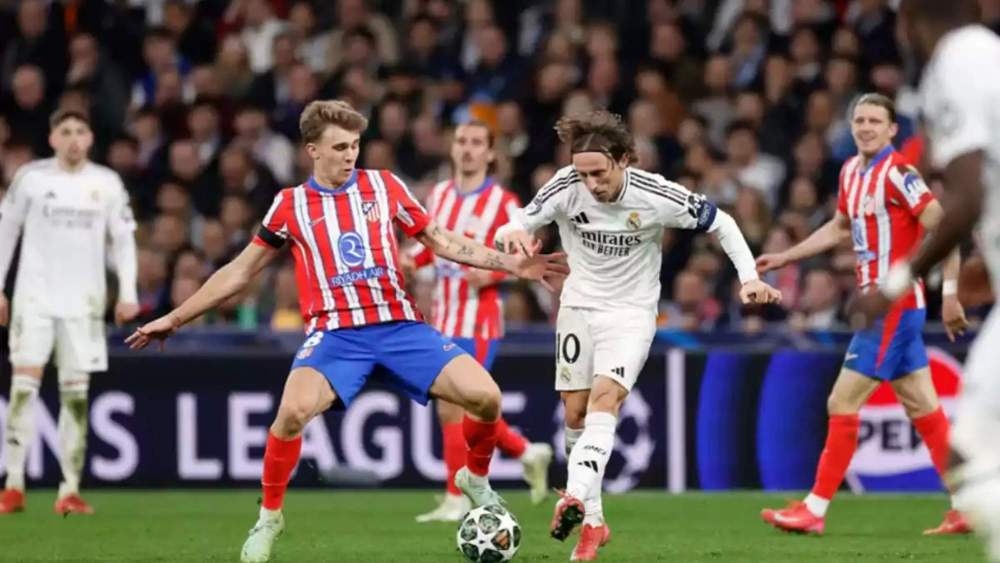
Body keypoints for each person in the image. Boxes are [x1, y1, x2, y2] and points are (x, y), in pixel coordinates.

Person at [125, 100, 569, 563]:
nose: (350, 155)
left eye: (355, 145)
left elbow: (442, 241)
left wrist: (511, 263)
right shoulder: (290, 205)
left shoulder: (385, 186)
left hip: (400, 326)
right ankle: (269, 517)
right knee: (292, 412)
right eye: (339, 147)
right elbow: (239, 272)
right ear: (312, 150)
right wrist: (174, 318)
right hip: (337, 335)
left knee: (487, 397)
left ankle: (475, 479)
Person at [495, 109, 781, 561]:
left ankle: (572, 495)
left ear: (625, 160)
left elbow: (721, 222)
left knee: (604, 399)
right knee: (574, 412)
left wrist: (747, 277)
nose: (591, 184)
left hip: (630, 313)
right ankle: (593, 521)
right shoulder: (566, 185)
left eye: (599, 173)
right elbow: (517, 221)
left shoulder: (655, 194)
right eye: (583, 174)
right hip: (577, 307)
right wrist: (513, 240)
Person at [757, 93, 971, 536]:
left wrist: (950, 294)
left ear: (893, 130)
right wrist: (786, 257)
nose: (866, 127)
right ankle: (966, 505)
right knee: (924, 408)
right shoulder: (851, 172)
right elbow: (838, 227)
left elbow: (945, 228)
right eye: (860, 120)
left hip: (891, 307)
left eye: (876, 120)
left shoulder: (900, 174)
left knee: (842, 401)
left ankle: (814, 509)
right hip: (887, 308)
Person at [853, 1, 1000, 559]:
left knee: (974, 466)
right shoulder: (987, 56)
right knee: (968, 459)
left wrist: (893, 284)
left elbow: (964, 196)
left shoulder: (956, 62)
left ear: (909, 20)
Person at [404, 120, 553, 523]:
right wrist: (409, 260)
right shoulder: (437, 196)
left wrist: (492, 274)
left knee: (455, 405)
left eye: (476, 143)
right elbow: (430, 248)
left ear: (490, 154)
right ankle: (526, 451)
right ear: (452, 149)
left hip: (480, 322)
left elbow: (523, 262)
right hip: (443, 318)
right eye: (461, 141)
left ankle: (456, 497)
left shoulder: (504, 204)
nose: (467, 149)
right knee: (456, 407)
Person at [0, 109, 139, 515]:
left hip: (85, 304)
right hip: (35, 300)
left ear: (91, 138)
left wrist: (127, 293)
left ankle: (69, 490)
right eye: (66, 131)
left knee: (75, 398)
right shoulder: (32, 178)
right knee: (24, 391)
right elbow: (6, 231)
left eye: (81, 130)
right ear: (53, 139)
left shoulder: (106, 183)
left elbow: (124, 239)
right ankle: (14, 485)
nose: (74, 138)